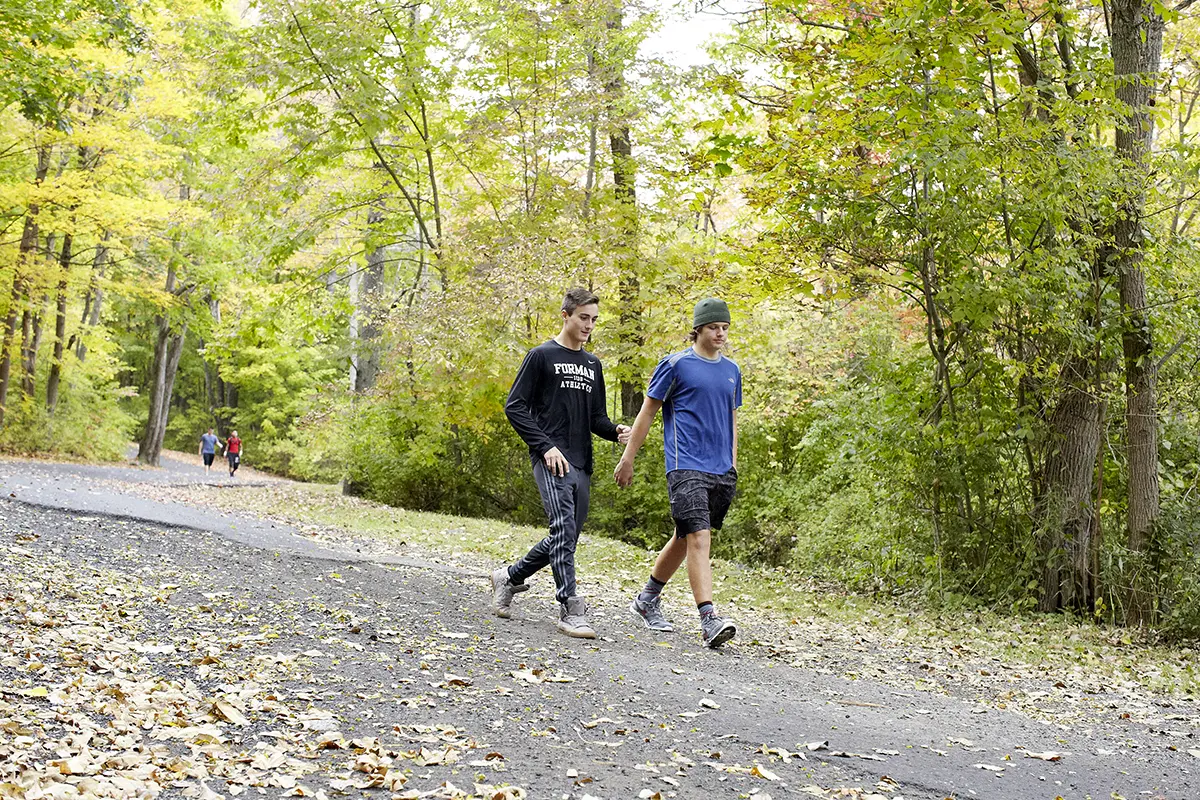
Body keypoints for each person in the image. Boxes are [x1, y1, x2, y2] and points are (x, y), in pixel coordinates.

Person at [492, 288, 632, 638]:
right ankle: (570, 607)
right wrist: (545, 447)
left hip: (582, 461)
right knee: (564, 531)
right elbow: (515, 406)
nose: (589, 325)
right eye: (583, 317)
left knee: (564, 536)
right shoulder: (541, 356)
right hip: (551, 459)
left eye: (594, 319)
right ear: (566, 314)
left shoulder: (592, 364)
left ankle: (509, 577)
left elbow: (595, 417)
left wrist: (615, 430)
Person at [614, 297, 741, 649]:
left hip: (721, 469)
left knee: (686, 537)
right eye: (714, 327)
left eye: (725, 328)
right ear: (698, 328)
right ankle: (709, 619)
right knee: (700, 538)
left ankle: (647, 599)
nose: (720, 333)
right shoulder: (675, 365)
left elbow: (731, 417)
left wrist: (733, 461)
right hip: (685, 465)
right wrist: (628, 458)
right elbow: (647, 413)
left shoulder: (732, 370)